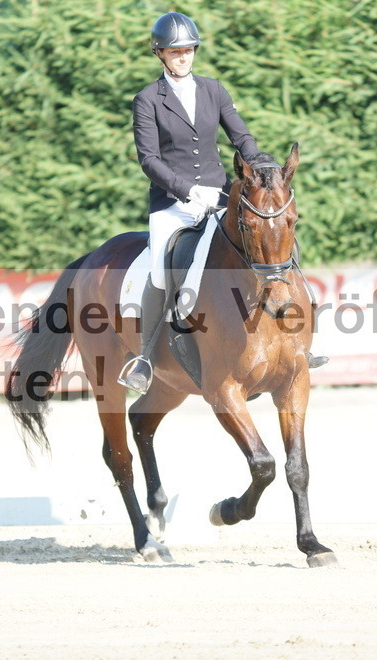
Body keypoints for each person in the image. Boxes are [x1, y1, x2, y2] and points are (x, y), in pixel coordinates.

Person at [118, 12, 326, 394]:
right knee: (164, 270)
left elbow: (241, 137)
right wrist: (185, 189)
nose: (184, 57)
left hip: (219, 196)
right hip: (173, 204)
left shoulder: (213, 90)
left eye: (189, 50)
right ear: (160, 54)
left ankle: (298, 341)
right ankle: (145, 357)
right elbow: (148, 159)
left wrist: (263, 165)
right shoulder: (147, 99)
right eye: (176, 52)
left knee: (278, 244)